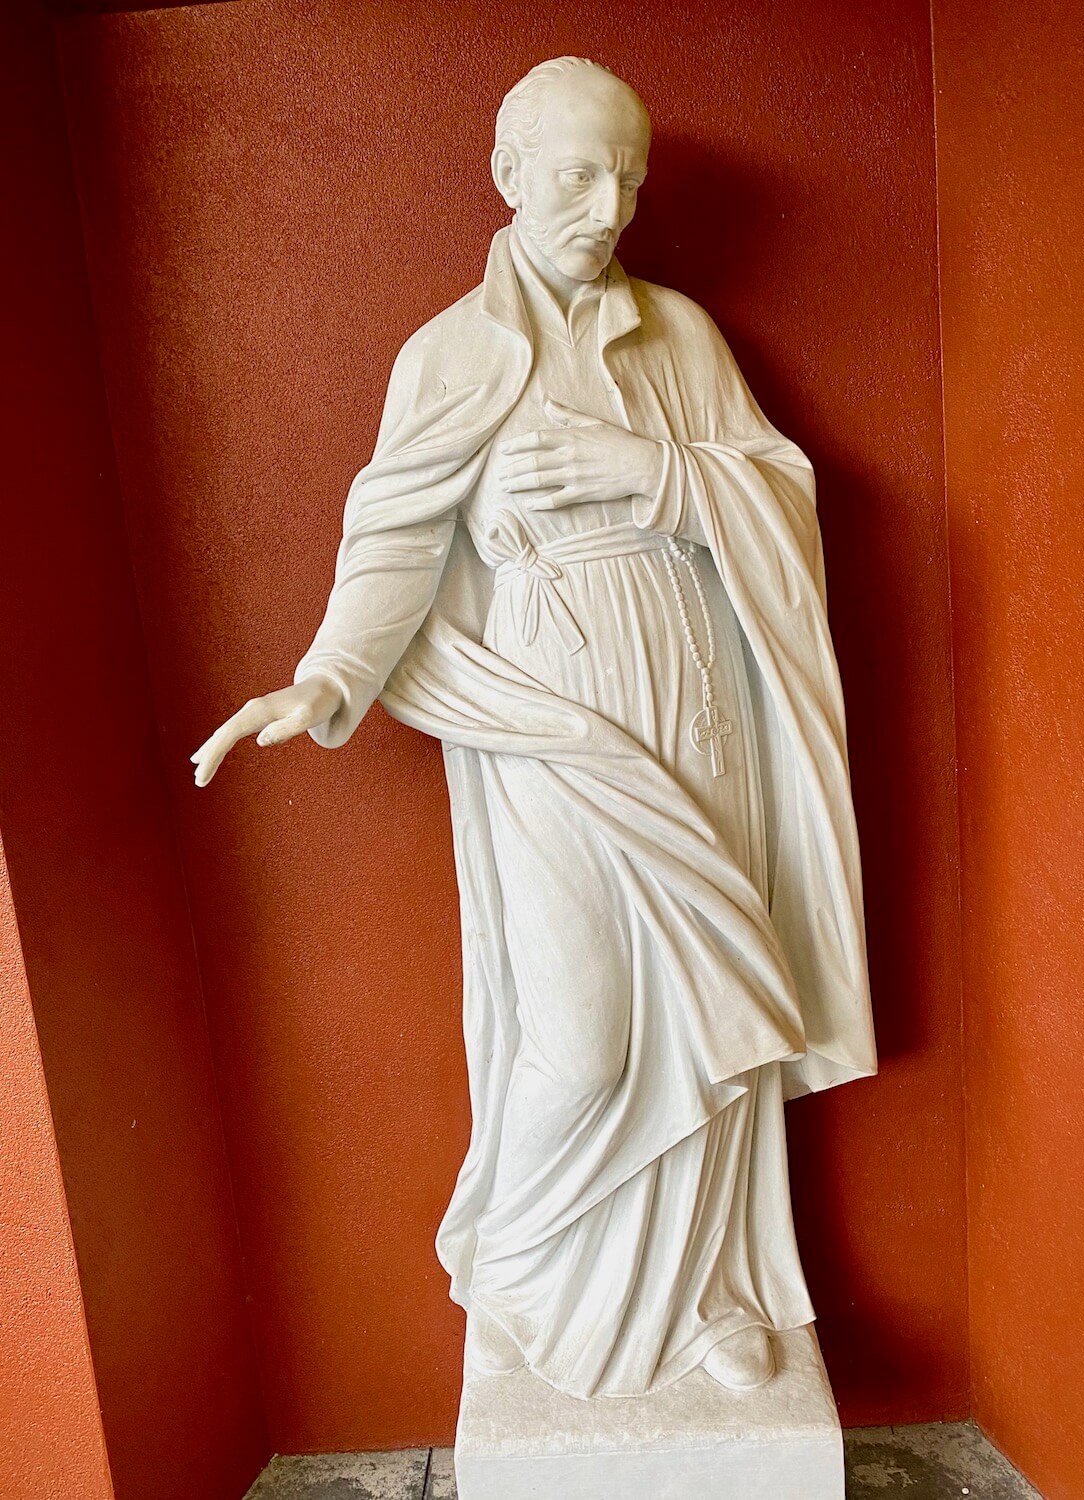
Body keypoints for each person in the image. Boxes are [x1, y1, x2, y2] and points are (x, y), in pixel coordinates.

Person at [192, 55, 876, 1402]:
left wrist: (658, 471)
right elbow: (393, 531)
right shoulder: (455, 352)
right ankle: (518, 1266)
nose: (605, 204)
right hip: (547, 721)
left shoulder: (678, 337)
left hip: (688, 702)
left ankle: (706, 1298)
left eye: (624, 174)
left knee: (704, 996)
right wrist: (327, 679)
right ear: (507, 175)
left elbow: (781, 493)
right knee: (582, 1036)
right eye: (575, 173)